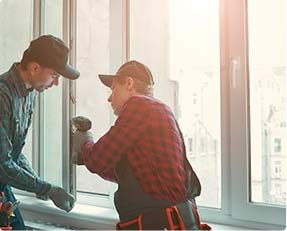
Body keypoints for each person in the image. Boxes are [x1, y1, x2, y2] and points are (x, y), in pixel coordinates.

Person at [72, 60, 208, 230]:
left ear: (129, 83)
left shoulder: (140, 106)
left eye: (113, 89)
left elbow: (99, 159)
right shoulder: (160, 110)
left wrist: (85, 141)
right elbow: (130, 173)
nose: (109, 97)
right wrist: (86, 155)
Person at [0, 35, 79, 230]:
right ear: (34, 68)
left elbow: (14, 152)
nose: (56, 83)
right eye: (54, 75)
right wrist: (46, 188)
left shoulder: (30, 93)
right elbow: (3, 164)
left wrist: (38, 184)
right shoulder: (2, 95)